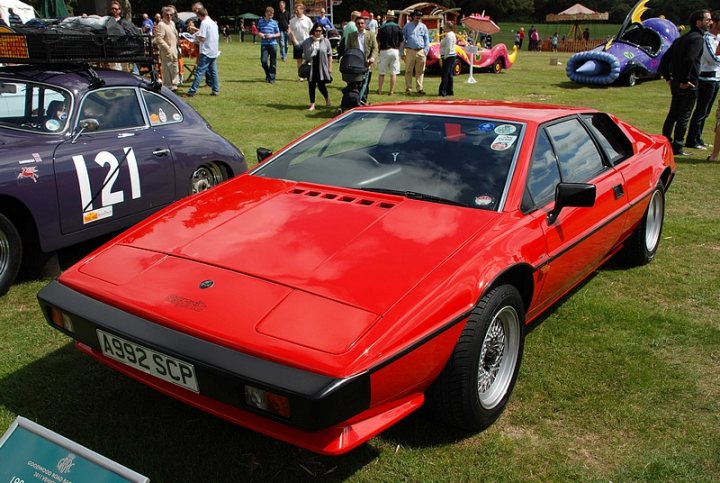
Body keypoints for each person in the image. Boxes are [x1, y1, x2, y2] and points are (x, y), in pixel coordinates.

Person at [662, 9, 712, 156]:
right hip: (687, 84)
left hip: (676, 82)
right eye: (707, 20)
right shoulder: (697, 39)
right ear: (698, 22)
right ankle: (677, 146)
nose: (710, 22)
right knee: (684, 116)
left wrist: (669, 78)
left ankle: (665, 141)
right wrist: (685, 80)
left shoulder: (681, 39)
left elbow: (665, 60)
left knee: (673, 114)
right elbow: (690, 59)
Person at [686, 10, 720, 150]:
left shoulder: (718, 38)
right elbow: (713, 58)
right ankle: (692, 140)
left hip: (716, 78)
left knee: (706, 112)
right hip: (706, 79)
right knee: (701, 110)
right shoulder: (706, 38)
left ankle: (698, 138)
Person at [338, 16, 378, 104]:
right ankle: (354, 100)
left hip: (368, 63)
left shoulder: (371, 34)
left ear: (365, 24)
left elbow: (375, 48)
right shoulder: (351, 36)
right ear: (355, 24)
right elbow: (348, 49)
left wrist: (372, 58)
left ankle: (363, 101)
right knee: (355, 84)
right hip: (356, 64)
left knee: (366, 84)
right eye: (358, 23)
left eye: (362, 23)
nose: (360, 25)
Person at [185, 7, 220, 97]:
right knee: (213, 71)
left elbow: (202, 37)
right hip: (213, 50)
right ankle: (216, 90)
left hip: (206, 51)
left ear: (200, 15)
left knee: (199, 72)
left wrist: (195, 38)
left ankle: (191, 91)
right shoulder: (213, 23)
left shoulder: (204, 23)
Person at [302, 22, 333, 110]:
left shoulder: (326, 41)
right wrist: (292, 36)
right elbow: (300, 47)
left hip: (322, 67)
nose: (318, 32)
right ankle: (312, 104)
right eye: (316, 31)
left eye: (320, 31)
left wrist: (330, 68)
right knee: (311, 85)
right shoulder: (308, 41)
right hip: (311, 67)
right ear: (313, 31)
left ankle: (327, 99)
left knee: (321, 85)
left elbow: (329, 55)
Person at [401, 10, 429, 95]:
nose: (418, 17)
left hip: (421, 51)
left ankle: (419, 88)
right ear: (414, 16)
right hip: (410, 50)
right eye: (417, 15)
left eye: (420, 16)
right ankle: (408, 89)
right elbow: (403, 40)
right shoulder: (407, 26)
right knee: (408, 71)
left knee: (420, 71)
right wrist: (401, 52)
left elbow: (427, 40)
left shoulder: (423, 26)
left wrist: (425, 51)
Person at [376, 10, 403, 96]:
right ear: (393, 18)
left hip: (384, 50)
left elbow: (378, 41)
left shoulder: (382, 27)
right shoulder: (398, 27)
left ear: (387, 17)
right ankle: (391, 91)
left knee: (382, 72)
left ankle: (380, 91)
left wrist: (378, 50)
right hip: (395, 50)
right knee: (393, 72)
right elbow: (402, 40)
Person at [155, 6, 180, 91]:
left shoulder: (172, 23)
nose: (169, 16)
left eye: (171, 15)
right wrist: (167, 48)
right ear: (163, 15)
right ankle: (168, 88)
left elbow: (175, 35)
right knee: (167, 70)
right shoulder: (161, 24)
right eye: (167, 14)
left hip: (174, 50)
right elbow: (158, 39)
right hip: (166, 52)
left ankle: (174, 86)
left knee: (175, 68)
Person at [289, 3, 313, 76]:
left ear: (302, 10)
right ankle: (301, 75)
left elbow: (312, 31)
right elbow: (290, 32)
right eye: (295, 9)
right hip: (297, 43)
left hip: (307, 42)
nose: (296, 11)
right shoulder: (292, 21)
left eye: (298, 9)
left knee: (308, 59)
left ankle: (309, 74)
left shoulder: (307, 20)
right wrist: (292, 40)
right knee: (299, 60)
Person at [258, 6, 280, 84]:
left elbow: (278, 33)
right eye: (269, 14)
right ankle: (268, 74)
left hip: (273, 44)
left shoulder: (274, 22)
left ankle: (272, 78)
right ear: (266, 13)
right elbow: (258, 31)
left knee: (273, 61)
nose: (270, 16)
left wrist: (272, 36)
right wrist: (261, 34)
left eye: (272, 15)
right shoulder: (260, 21)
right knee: (263, 61)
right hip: (264, 44)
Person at [438, 21, 456, 97]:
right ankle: (450, 90)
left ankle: (443, 91)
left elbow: (448, 47)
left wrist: (445, 56)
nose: (443, 27)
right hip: (451, 56)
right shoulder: (452, 35)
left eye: (445, 26)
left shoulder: (449, 35)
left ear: (448, 27)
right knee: (449, 74)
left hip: (448, 56)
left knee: (445, 74)